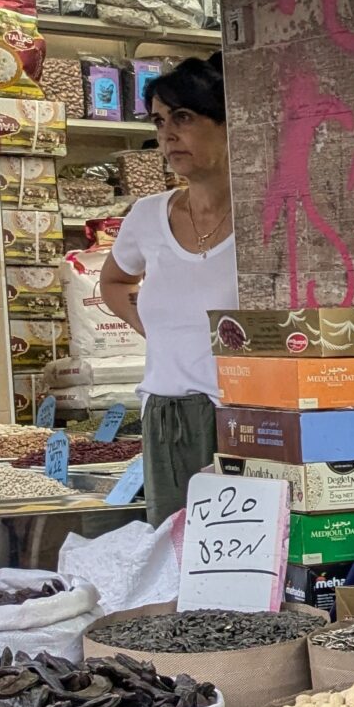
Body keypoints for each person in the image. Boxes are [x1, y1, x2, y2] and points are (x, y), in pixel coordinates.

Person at [98, 52, 238, 522]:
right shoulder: (147, 216)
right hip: (164, 414)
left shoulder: (262, 221)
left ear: (225, 122)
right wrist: (151, 328)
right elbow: (114, 281)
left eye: (183, 117)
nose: (168, 135)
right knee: (170, 553)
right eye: (159, 122)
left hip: (237, 415)